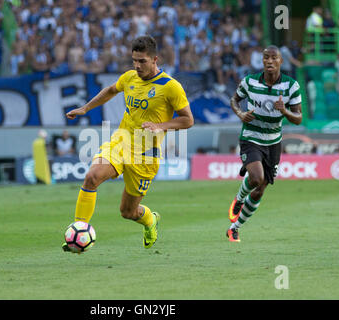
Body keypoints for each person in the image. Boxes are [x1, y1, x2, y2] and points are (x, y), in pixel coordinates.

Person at [62, 35, 194, 252]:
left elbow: (188, 120)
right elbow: (111, 90)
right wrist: (85, 108)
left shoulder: (171, 87)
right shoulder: (130, 77)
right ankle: (79, 229)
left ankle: (150, 220)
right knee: (92, 177)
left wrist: (160, 126)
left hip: (146, 155)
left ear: (155, 59)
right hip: (120, 143)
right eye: (134, 60)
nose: (137, 65)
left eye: (142, 61)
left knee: (128, 212)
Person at [226, 45, 303, 242]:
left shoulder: (291, 86)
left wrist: (285, 111)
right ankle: (240, 198)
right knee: (256, 177)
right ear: (262, 61)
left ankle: (234, 228)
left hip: (273, 142)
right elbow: (234, 100)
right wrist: (240, 114)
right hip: (251, 136)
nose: (269, 61)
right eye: (266, 58)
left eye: (273, 58)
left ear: (281, 61)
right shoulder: (250, 81)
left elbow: (298, 117)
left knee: (261, 189)